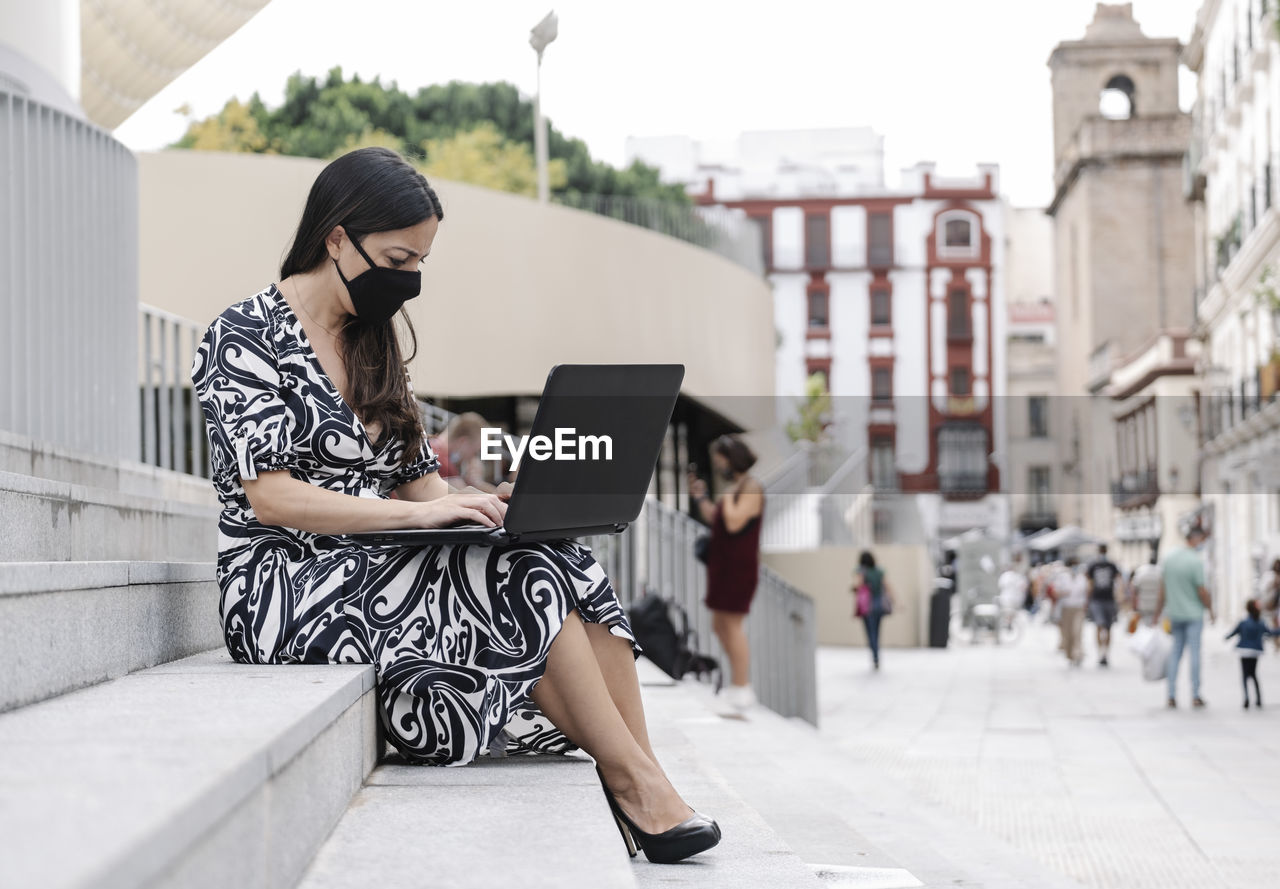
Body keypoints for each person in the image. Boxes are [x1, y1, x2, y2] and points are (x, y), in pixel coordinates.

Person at [189, 147, 718, 863]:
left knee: (552, 549)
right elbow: (273, 496)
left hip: (373, 564)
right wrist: (420, 518)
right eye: (398, 257)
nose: (408, 280)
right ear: (336, 238)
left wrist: (482, 505)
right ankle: (634, 784)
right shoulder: (242, 336)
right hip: (283, 584)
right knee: (510, 571)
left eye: (419, 264)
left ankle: (642, 778)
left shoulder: (373, 343)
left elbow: (421, 487)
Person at [688, 435, 764, 710]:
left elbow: (732, 522)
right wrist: (701, 499)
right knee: (719, 625)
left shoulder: (751, 487)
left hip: (738, 570)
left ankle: (742, 686)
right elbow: (717, 518)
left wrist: (728, 494)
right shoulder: (737, 489)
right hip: (723, 569)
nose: (720, 468)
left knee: (732, 626)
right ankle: (737, 683)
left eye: (722, 462)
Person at [1155, 525, 1214, 709]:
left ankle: (1171, 695)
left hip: (1175, 613)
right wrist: (1210, 609)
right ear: (1195, 539)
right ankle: (1195, 695)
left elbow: (1162, 589)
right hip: (1194, 614)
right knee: (1194, 654)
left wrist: (1157, 612)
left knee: (1175, 654)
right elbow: (1202, 590)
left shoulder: (1169, 558)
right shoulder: (1195, 561)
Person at [1225, 599, 1280, 709]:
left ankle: (1246, 698)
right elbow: (1270, 633)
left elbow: (1234, 632)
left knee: (1245, 675)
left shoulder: (1243, 622)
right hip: (1255, 651)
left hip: (1244, 651)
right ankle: (1258, 699)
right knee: (1254, 674)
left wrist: (1227, 637)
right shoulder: (1260, 623)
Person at [428, 411, 499, 492]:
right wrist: (476, 482)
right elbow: (469, 498)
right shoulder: (441, 462)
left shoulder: (430, 447)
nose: (473, 457)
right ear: (463, 442)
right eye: (475, 451)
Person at [852, 551, 896, 670]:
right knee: (877, 632)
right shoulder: (879, 570)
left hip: (867, 606)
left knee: (870, 632)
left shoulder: (862, 571)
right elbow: (887, 586)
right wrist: (894, 600)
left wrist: (854, 588)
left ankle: (875, 656)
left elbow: (859, 585)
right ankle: (876, 655)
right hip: (879, 606)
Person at [1084, 544, 1122, 666]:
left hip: (1104, 599)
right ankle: (1102, 653)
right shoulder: (1097, 565)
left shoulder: (1109, 565)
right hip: (1100, 600)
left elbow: (1119, 581)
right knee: (1101, 626)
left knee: (1105, 627)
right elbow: (1089, 582)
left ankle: (1104, 653)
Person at [1056, 557, 1088, 667]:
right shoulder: (1062, 578)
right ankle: (1070, 655)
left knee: (1077, 631)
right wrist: (1064, 593)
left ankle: (1078, 654)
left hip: (1078, 608)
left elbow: (1085, 592)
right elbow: (1057, 592)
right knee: (1068, 633)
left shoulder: (1081, 577)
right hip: (1066, 608)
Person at [1130, 555, 1162, 626]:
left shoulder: (1141, 571)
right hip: (1156, 604)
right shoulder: (1160, 572)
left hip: (1143, 604)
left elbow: (1134, 588)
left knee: (1144, 626)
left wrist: (1134, 604)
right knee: (1155, 626)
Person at [1259, 558, 1280, 652]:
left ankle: (1277, 643)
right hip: (1273, 603)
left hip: (1277, 603)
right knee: (1274, 623)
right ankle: (1276, 643)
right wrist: (1273, 584)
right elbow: (1264, 588)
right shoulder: (1270, 576)